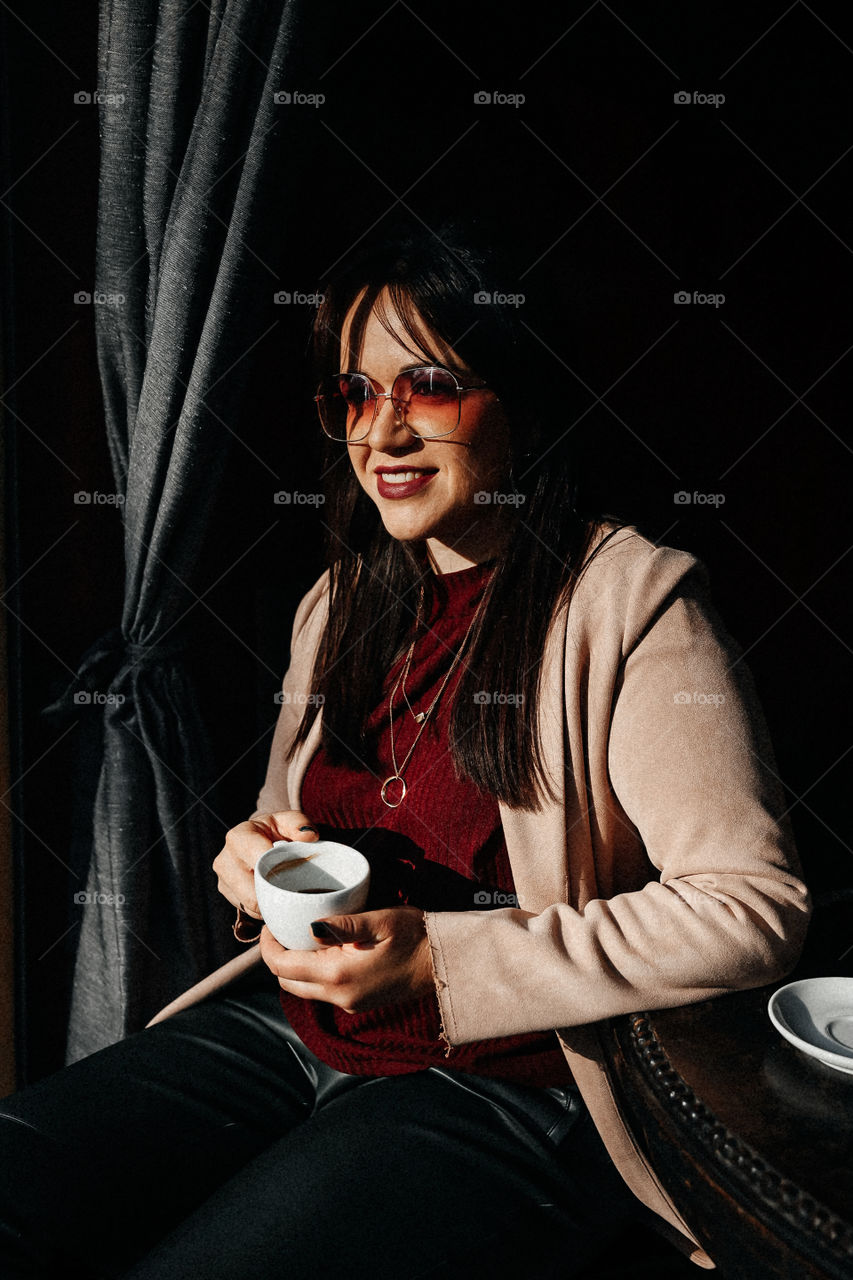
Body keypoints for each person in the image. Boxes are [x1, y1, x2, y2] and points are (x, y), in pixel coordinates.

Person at [0, 222, 810, 1278]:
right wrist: (252, 860)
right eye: (353, 393)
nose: (380, 430)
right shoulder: (337, 600)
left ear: (514, 391)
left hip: (514, 1082)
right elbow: (282, 816)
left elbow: (751, 907)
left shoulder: (630, 603)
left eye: (425, 383)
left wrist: (442, 958)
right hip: (293, 1031)